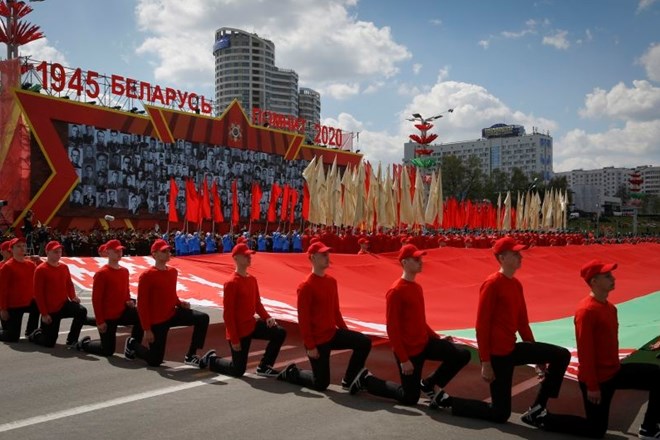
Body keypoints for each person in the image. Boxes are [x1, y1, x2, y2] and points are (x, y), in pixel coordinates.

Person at [524, 260, 660, 439]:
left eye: (611, 275)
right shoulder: (586, 311)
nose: (613, 278)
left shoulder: (610, 308)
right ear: (594, 282)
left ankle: (648, 428)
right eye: (607, 276)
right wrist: (592, 386)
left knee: (657, 376)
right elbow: (585, 352)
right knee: (596, 429)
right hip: (597, 380)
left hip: (614, 372)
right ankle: (543, 418)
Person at [451, 236, 571, 424]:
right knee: (500, 413)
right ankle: (452, 403)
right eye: (515, 254)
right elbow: (482, 326)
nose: (520, 257)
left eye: (519, 253)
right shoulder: (492, 284)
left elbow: (522, 323)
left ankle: (538, 407)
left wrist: (539, 359)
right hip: (497, 356)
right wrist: (486, 362)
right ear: (502, 258)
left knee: (561, 355)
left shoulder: (516, 284)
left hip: (512, 349)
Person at [350, 244, 472, 405]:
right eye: (416, 259)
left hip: (424, 343)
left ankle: (429, 384)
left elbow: (420, 321)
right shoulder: (396, 291)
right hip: (409, 351)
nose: (421, 262)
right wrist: (404, 359)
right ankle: (366, 380)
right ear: (405, 262)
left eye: (420, 258)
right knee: (409, 397)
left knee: (462, 354)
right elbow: (392, 328)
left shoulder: (417, 287)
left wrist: (438, 338)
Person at [276, 241, 372, 392]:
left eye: (328, 254)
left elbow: (335, 311)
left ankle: (349, 379)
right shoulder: (306, 286)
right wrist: (310, 346)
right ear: (312, 258)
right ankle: (292, 372)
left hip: (332, 334)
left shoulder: (331, 282)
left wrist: (346, 332)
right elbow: (304, 319)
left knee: (363, 342)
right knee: (321, 383)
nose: (327, 257)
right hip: (318, 340)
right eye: (323, 255)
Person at [200, 243, 286, 377]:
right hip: (239, 331)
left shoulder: (252, 279)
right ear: (236, 258)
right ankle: (211, 359)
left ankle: (264, 366)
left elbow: (257, 303)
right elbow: (228, 314)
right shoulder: (231, 283)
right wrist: (234, 339)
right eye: (246, 255)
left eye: (249, 255)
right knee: (238, 370)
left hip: (251, 325)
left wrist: (267, 317)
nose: (249, 257)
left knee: (279, 332)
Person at [127, 239, 212, 367]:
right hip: (157, 321)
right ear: (154, 254)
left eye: (168, 250)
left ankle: (191, 355)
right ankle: (132, 344)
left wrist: (180, 303)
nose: (168, 253)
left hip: (172, 314)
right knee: (155, 360)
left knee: (202, 318)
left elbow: (171, 294)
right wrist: (147, 329)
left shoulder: (173, 272)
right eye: (164, 251)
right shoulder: (147, 275)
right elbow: (142, 304)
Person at [75, 239, 143, 358]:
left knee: (142, 316)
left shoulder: (124, 271)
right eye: (116, 251)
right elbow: (96, 299)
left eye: (120, 250)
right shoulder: (102, 273)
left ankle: (133, 345)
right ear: (108, 252)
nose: (119, 253)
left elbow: (125, 291)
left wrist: (129, 301)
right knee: (107, 350)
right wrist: (100, 321)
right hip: (108, 317)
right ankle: (85, 344)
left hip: (122, 312)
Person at [29, 240, 88, 348]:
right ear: (47, 253)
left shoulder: (63, 267)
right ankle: (36, 334)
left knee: (81, 311)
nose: (58, 254)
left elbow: (69, 284)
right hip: (51, 309)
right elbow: (38, 293)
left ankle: (72, 340)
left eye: (60, 252)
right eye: (55, 252)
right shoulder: (41, 269)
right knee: (49, 342)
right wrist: (44, 313)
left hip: (64, 304)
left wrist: (73, 296)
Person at [0, 238, 40, 342]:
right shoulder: (7, 267)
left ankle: (31, 331)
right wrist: (3, 309)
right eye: (18, 246)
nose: (22, 248)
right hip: (14, 305)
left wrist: (38, 260)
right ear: (11, 250)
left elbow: (40, 276)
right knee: (12, 337)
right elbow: (2, 289)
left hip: (28, 301)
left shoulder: (31, 264)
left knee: (38, 305)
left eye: (24, 246)